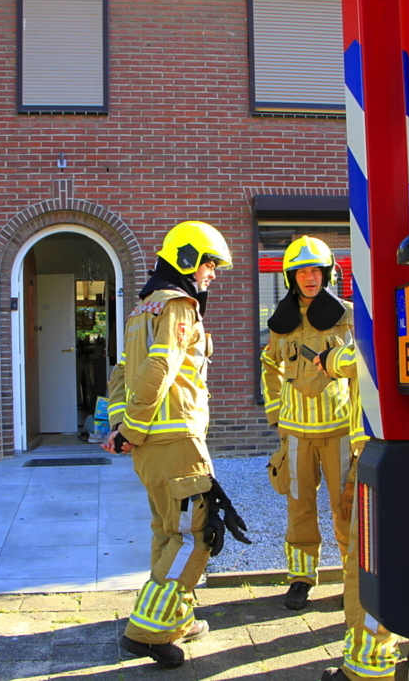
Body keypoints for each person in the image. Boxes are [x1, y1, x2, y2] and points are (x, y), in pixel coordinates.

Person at [103, 220, 249, 669]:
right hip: (176, 440)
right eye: (209, 264)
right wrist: (132, 429)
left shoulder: (140, 308)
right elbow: (158, 370)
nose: (212, 274)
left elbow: (119, 375)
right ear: (187, 259)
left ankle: (177, 617)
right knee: (197, 534)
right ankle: (147, 633)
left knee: (167, 530)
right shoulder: (180, 306)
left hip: (149, 447)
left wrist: (121, 429)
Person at [260, 235, 354, 611]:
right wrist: (276, 416)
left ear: (327, 273)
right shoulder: (281, 323)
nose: (310, 278)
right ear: (291, 277)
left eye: (316, 270)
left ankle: (354, 580)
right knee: (299, 507)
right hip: (296, 433)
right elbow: (269, 366)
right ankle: (301, 578)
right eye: (302, 271)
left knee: (345, 508)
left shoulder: (347, 315)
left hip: (340, 432)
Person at [313, 343, 404, 680]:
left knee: (372, 564)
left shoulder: (377, 324)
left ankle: (367, 668)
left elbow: (370, 355)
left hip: (377, 451)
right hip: (384, 450)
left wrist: (331, 359)